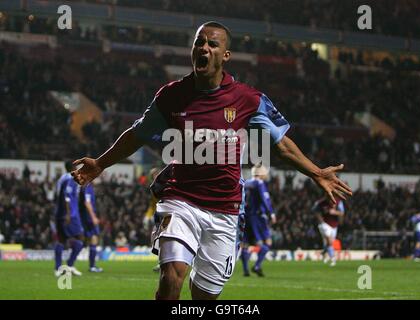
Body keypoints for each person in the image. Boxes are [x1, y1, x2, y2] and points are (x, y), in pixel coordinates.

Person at [71, 21, 352, 300]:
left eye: (212, 44)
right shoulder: (171, 96)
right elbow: (137, 135)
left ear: (225, 55)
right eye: (198, 43)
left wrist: (316, 172)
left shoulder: (248, 100)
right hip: (180, 199)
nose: (203, 48)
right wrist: (100, 163)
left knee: (204, 297)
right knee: (171, 278)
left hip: (225, 211)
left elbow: (281, 146)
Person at [240, 163, 276, 277]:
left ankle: (246, 270)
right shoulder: (259, 183)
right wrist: (271, 213)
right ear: (261, 173)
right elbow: (265, 199)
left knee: (245, 244)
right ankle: (257, 266)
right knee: (268, 241)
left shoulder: (246, 183)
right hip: (257, 216)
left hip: (245, 216)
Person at [53, 161, 84, 277]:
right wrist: (68, 213)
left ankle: (59, 268)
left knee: (61, 239)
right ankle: (69, 265)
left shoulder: (63, 179)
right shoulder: (69, 179)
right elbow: (67, 197)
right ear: (72, 168)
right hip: (69, 214)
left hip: (63, 212)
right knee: (80, 237)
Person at [312, 196, 345, 266]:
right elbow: (315, 210)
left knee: (329, 243)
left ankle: (324, 252)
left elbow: (342, 213)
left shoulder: (339, 202)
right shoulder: (322, 202)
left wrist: (334, 212)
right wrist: (321, 221)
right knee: (329, 241)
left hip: (334, 226)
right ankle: (333, 259)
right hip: (325, 224)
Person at [79, 182, 103, 272]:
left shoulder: (85, 187)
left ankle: (92, 266)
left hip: (85, 217)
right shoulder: (87, 187)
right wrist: (93, 217)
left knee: (90, 239)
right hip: (88, 218)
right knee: (94, 238)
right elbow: (87, 202)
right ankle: (92, 266)